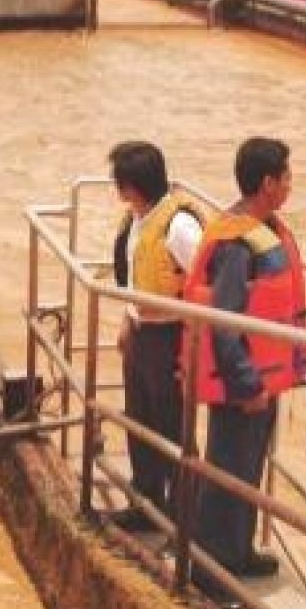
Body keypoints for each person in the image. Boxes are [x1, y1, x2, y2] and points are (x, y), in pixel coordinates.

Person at [180, 137, 306, 600]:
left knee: (248, 469)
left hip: (262, 378)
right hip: (244, 385)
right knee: (228, 473)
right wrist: (247, 383)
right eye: (287, 177)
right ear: (266, 183)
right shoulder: (238, 245)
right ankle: (211, 575)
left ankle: (236, 552)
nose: (291, 185)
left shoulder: (263, 230)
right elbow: (224, 323)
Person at [108, 141, 204, 531]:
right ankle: (145, 502)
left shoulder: (179, 226)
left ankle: (187, 521)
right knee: (140, 421)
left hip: (169, 338)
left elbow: (205, 287)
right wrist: (127, 320)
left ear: (135, 185)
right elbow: (135, 275)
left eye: (120, 180)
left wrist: (190, 352)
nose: (116, 188)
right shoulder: (138, 218)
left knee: (173, 429)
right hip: (142, 334)